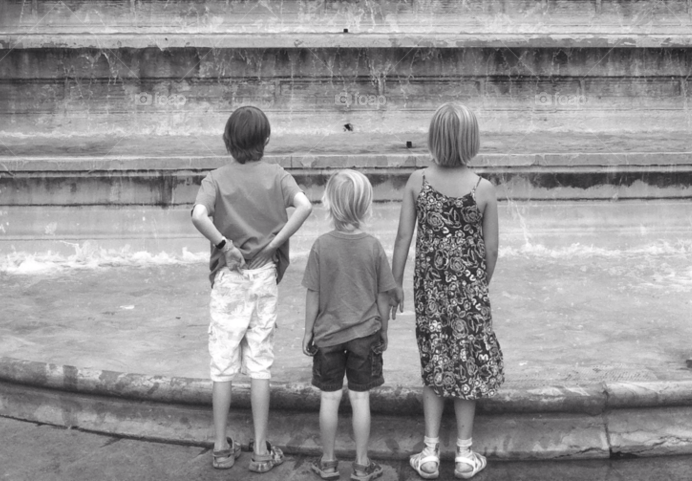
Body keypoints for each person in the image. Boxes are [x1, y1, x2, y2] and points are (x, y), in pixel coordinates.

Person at [191, 105, 313, 472]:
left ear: (228, 141)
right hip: (263, 276)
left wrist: (224, 246)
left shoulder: (214, 178)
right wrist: (275, 244)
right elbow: (304, 206)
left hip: (230, 278)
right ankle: (260, 450)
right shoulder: (278, 176)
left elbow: (198, 215)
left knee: (222, 364)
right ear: (266, 141)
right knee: (260, 364)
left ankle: (220, 448)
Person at [390, 104, 503, 479]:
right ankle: (466, 455)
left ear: (433, 138)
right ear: (473, 141)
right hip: (469, 293)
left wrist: (394, 284)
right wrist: (476, 286)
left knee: (434, 365)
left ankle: (429, 452)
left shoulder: (417, 182)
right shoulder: (483, 189)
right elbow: (491, 250)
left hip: (430, 293)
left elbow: (404, 237)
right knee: (467, 366)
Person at [303, 169, 397, 481]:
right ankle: (361, 464)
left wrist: (308, 331)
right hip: (364, 335)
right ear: (366, 206)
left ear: (328, 205)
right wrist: (382, 328)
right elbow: (383, 296)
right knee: (360, 399)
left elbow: (313, 295)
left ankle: (328, 462)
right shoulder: (373, 246)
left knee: (329, 398)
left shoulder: (321, 245)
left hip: (328, 336)